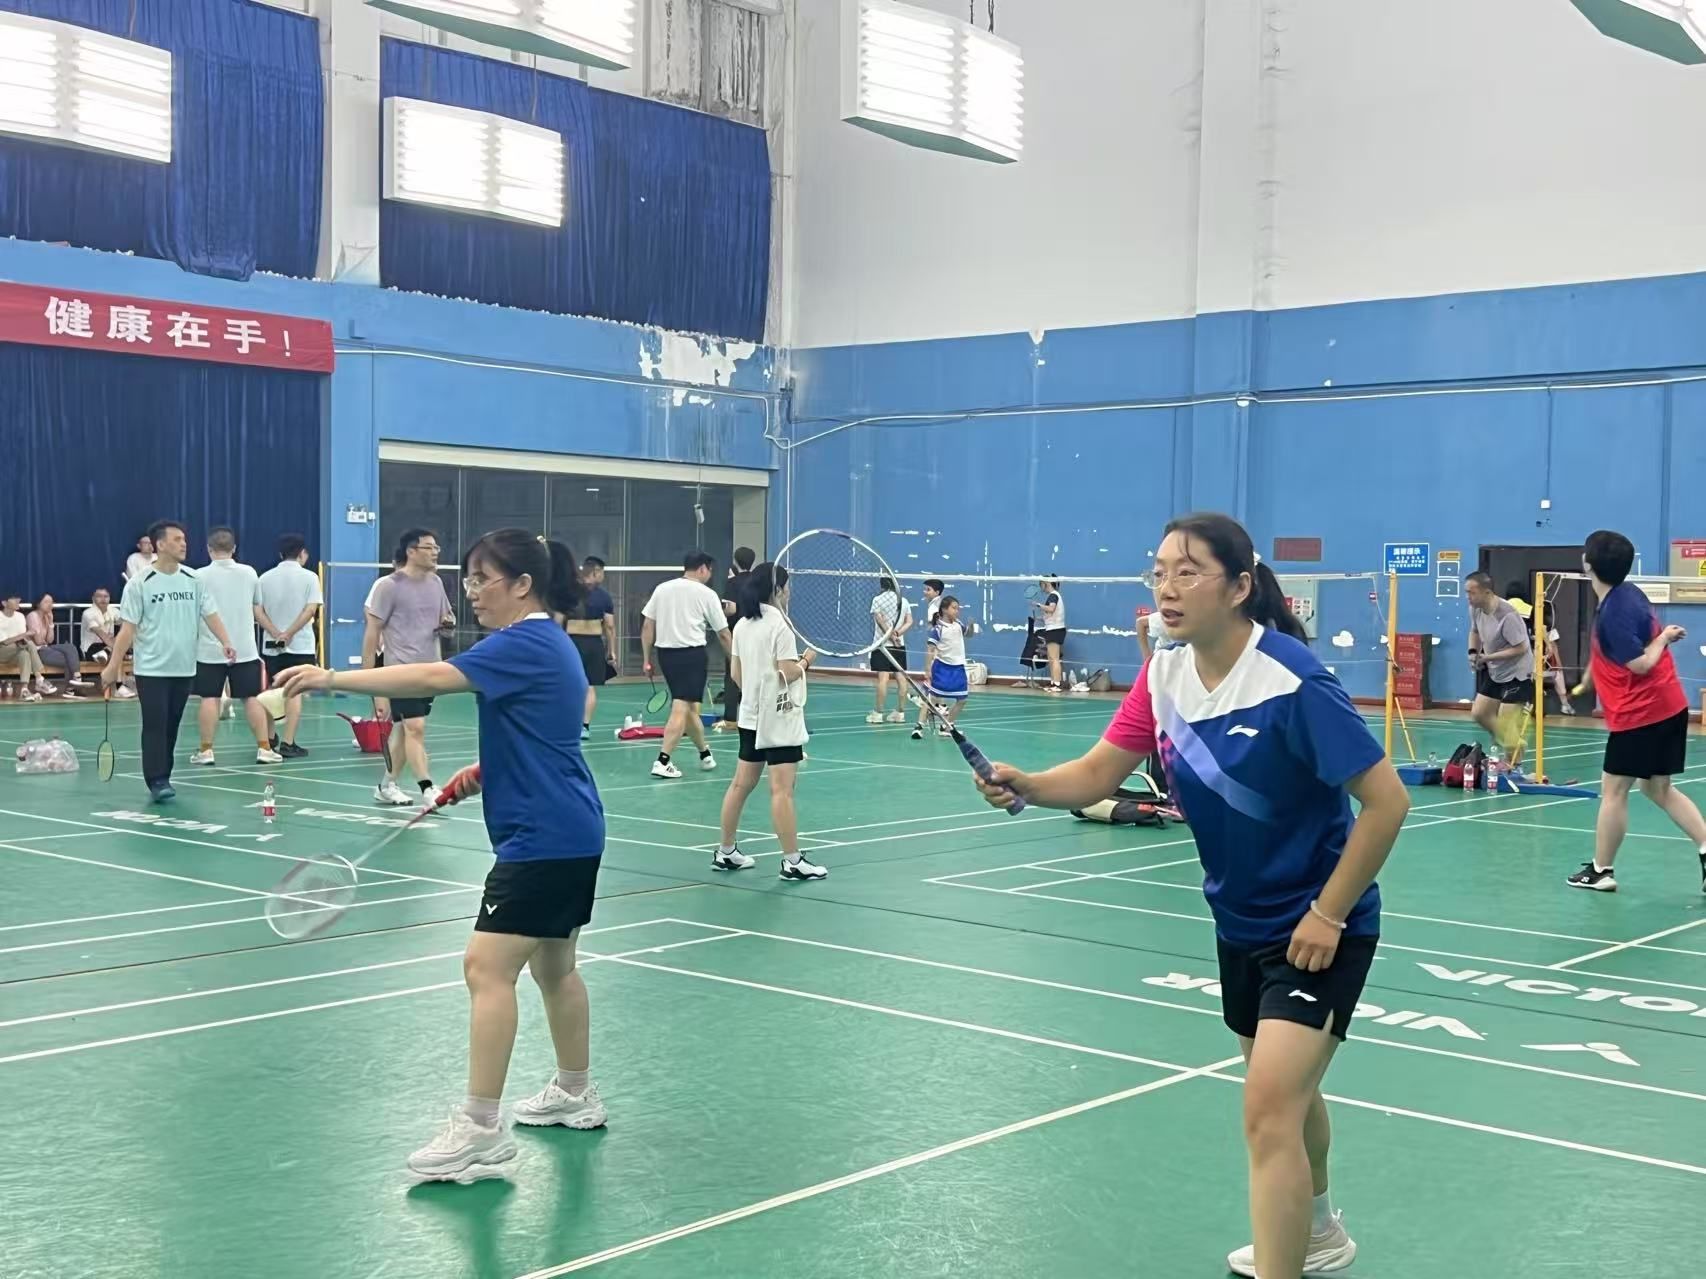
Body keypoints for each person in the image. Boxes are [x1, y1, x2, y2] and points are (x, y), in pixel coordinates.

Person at [973, 513, 1409, 1279]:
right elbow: (1100, 772)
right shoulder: (1164, 677)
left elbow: (1387, 802)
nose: (1167, 588)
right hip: (1239, 921)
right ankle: (1318, 1230)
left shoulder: (1292, 680)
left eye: (1187, 571)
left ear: (1238, 587)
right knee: (1290, 1097)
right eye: (1159, 572)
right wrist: (1029, 784)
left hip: (1319, 927)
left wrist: (1328, 912)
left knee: (1267, 1110)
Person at [277, 530, 607, 1183]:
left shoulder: (523, 640)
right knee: (555, 967)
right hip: (572, 827)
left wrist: (331, 677)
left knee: (486, 968)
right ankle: (575, 1091)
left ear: (522, 585)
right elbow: (546, 734)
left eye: (484, 578)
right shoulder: (552, 644)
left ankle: (481, 1129)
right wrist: (484, 772)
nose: (472, 591)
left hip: (541, 838)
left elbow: (432, 675)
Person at [1566, 530, 1706, 894]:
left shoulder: (1613, 612)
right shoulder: (1628, 593)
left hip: (1641, 714)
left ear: (1588, 565)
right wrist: (1595, 669)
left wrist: (1663, 638)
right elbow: (1620, 646)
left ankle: (1601, 871)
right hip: (1669, 705)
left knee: (1613, 790)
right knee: (1658, 788)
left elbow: (1641, 663)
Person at [101, 521, 240, 803]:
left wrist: (226, 641)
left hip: (184, 667)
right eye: (177, 539)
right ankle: (157, 779)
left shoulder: (194, 579)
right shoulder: (140, 583)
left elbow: (210, 614)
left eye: (184, 539)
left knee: (172, 725)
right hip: (151, 669)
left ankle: (164, 773)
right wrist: (113, 665)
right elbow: (127, 629)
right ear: (160, 544)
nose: (184, 544)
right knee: (155, 724)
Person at [713, 563, 829, 881]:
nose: (789, 593)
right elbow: (787, 672)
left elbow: (736, 674)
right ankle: (792, 861)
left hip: (750, 716)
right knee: (782, 790)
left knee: (740, 784)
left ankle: (726, 851)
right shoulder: (780, 626)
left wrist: (755, 692)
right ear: (777, 590)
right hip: (778, 720)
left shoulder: (742, 625)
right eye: (787, 587)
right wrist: (807, 660)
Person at [363, 528, 457, 806]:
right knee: (415, 726)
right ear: (411, 551)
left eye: (436, 547)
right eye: (429, 547)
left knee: (404, 730)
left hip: (431, 669)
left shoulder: (436, 583)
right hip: (401, 671)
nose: (435, 552)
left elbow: (446, 620)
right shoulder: (388, 586)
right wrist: (371, 683)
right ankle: (427, 788)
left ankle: (386, 785)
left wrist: (447, 625)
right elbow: (372, 633)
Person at [190, 528, 279, 767]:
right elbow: (257, 605)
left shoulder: (198, 576)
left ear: (209, 549)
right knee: (252, 698)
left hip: (209, 650)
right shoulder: (249, 573)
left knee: (209, 698)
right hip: (245, 649)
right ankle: (264, 748)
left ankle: (206, 751)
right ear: (234, 549)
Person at [639, 552, 730, 779]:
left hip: (666, 656)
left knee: (687, 708)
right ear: (702, 569)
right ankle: (663, 761)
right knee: (681, 706)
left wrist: (646, 659)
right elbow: (723, 634)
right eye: (710, 570)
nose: (710, 575)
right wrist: (736, 660)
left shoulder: (662, 589)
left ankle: (705, 754)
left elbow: (647, 626)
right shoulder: (707, 594)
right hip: (692, 656)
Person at [257, 534, 323, 757]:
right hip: (301, 645)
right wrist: (290, 633)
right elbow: (310, 610)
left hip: (271, 645)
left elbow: (257, 611)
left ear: (280, 554)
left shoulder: (264, 578)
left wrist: (277, 633)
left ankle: (269, 738)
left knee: (272, 690)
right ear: (302, 553)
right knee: (295, 692)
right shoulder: (310, 577)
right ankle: (288, 742)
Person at [1465, 572, 1536, 767]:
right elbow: (1474, 631)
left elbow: (1521, 648)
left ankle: (1513, 763)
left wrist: (1487, 658)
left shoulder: (1507, 615)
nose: (1468, 597)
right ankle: (1513, 742)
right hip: (1497, 670)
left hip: (1519, 672)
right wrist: (1473, 652)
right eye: (1466, 592)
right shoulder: (1476, 609)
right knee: (1480, 713)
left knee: (1506, 720)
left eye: (1472, 593)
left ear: (1487, 592)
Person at [563, 556, 616, 740]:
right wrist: (611, 650)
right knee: (590, 687)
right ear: (595, 572)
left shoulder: (568, 592)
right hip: (593, 644)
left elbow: (558, 619)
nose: (603, 576)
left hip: (570, 643)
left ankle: (567, 723)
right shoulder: (604, 596)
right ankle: (584, 727)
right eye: (602, 572)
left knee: (569, 685)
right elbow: (609, 626)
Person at [1504, 582, 1575, 716]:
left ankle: (1525, 705)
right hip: (1527, 653)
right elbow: (1541, 630)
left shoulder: (1501, 608)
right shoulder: (1530, 610)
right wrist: (1549, 647)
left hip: (1506, 653)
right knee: (1535, 676)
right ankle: (1560, 705)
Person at [912, 595, 970, 740]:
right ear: (944, 609)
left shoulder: (958, 624)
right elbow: (930, 649)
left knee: (962, 700)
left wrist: (971, 626)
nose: (957, 611)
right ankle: (918, 727)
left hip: (958, 668)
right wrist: (927, 669)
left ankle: (946, 726)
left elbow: (968, 634)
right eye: (954, 608)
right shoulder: (938, 629)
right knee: (931, 699)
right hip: (942, 668)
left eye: (958, 608)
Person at [718, 547, 758, 728]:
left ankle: (730, 719)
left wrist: (718, 614)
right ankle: (755, 716)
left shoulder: (732, 583)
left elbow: (731, 608)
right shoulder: (757, 581)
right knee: (755, 673)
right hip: (756, 633)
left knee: (732, 675)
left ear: (735, 561)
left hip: (737, 634)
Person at [867, 575, 914, 724]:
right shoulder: (903, 601)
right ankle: (900, 713)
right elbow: (909, 621)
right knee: (901, 678)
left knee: (883, 678)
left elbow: (879, 620)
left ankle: (878, 713)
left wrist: (890, 636)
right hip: (899, 645)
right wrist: (897, 634)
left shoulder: (877, 599)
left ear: (882, 586)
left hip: (882, 645)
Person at [26, 595, 89, 696]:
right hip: (36, 652)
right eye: (46, 602)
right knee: (69, 660)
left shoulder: (46, 617)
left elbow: (50, 640)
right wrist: (43, 640)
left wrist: (51, 623)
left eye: (51, 602)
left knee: (70, 647)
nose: (50, 605)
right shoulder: (32, 616)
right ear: (38, 603)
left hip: (45, 648)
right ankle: (71, 688)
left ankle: (77, 676)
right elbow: (38, 641)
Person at [0, 592, 50, 702]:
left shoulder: (20, 616)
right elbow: (4, 642)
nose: (18, 600)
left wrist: (25, 638)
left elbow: (22, 640)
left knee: (25, 654)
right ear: (4, 603)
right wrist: (25, 635)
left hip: (16, 651)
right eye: (14, 598)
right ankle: (39, 678)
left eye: (18, 598)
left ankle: (24, 690)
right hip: (2, 651)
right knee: (29, 645)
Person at [1035, 577, 1068, 691]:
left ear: (1047, 583)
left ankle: (1057, 684)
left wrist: (1038, 605)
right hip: (1052, 629)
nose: (1041, 588)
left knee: (1054, 658)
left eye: (1041, 584)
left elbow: (1051, 609)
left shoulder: (1053, 595)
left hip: (1056, 630)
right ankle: (1053, 682)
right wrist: (1038, 618)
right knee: (1051, 658)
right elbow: (1049, 615)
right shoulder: (1053, 596)